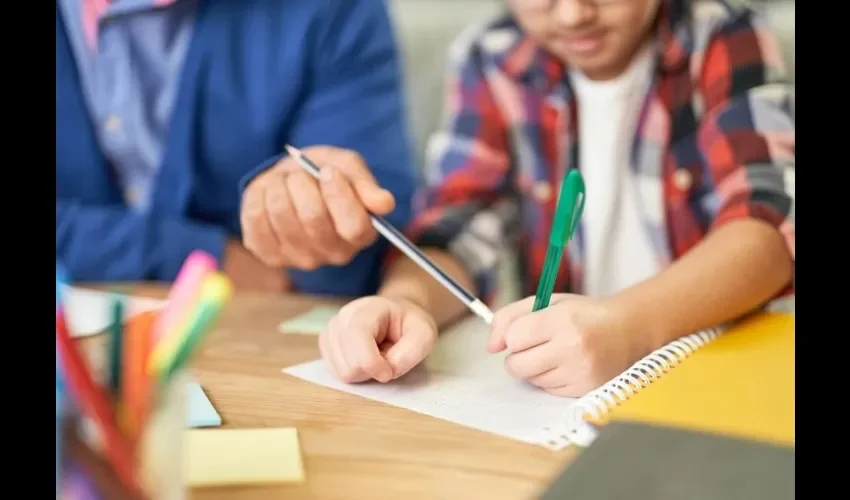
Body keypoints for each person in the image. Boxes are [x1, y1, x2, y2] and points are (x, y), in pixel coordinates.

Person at [312, 0, 795, 397]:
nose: (571, 15)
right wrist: (405, 300)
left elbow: (768, 227)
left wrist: (629, 326)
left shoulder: (724, 35)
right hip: (565, 396)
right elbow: (460, 225)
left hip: (718, 369)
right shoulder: (491, 55)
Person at [56, 0, 416, 296]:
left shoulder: (335, 12)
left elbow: (368, 260)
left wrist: (318, 234)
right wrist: (205, 256)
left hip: (252, 344)